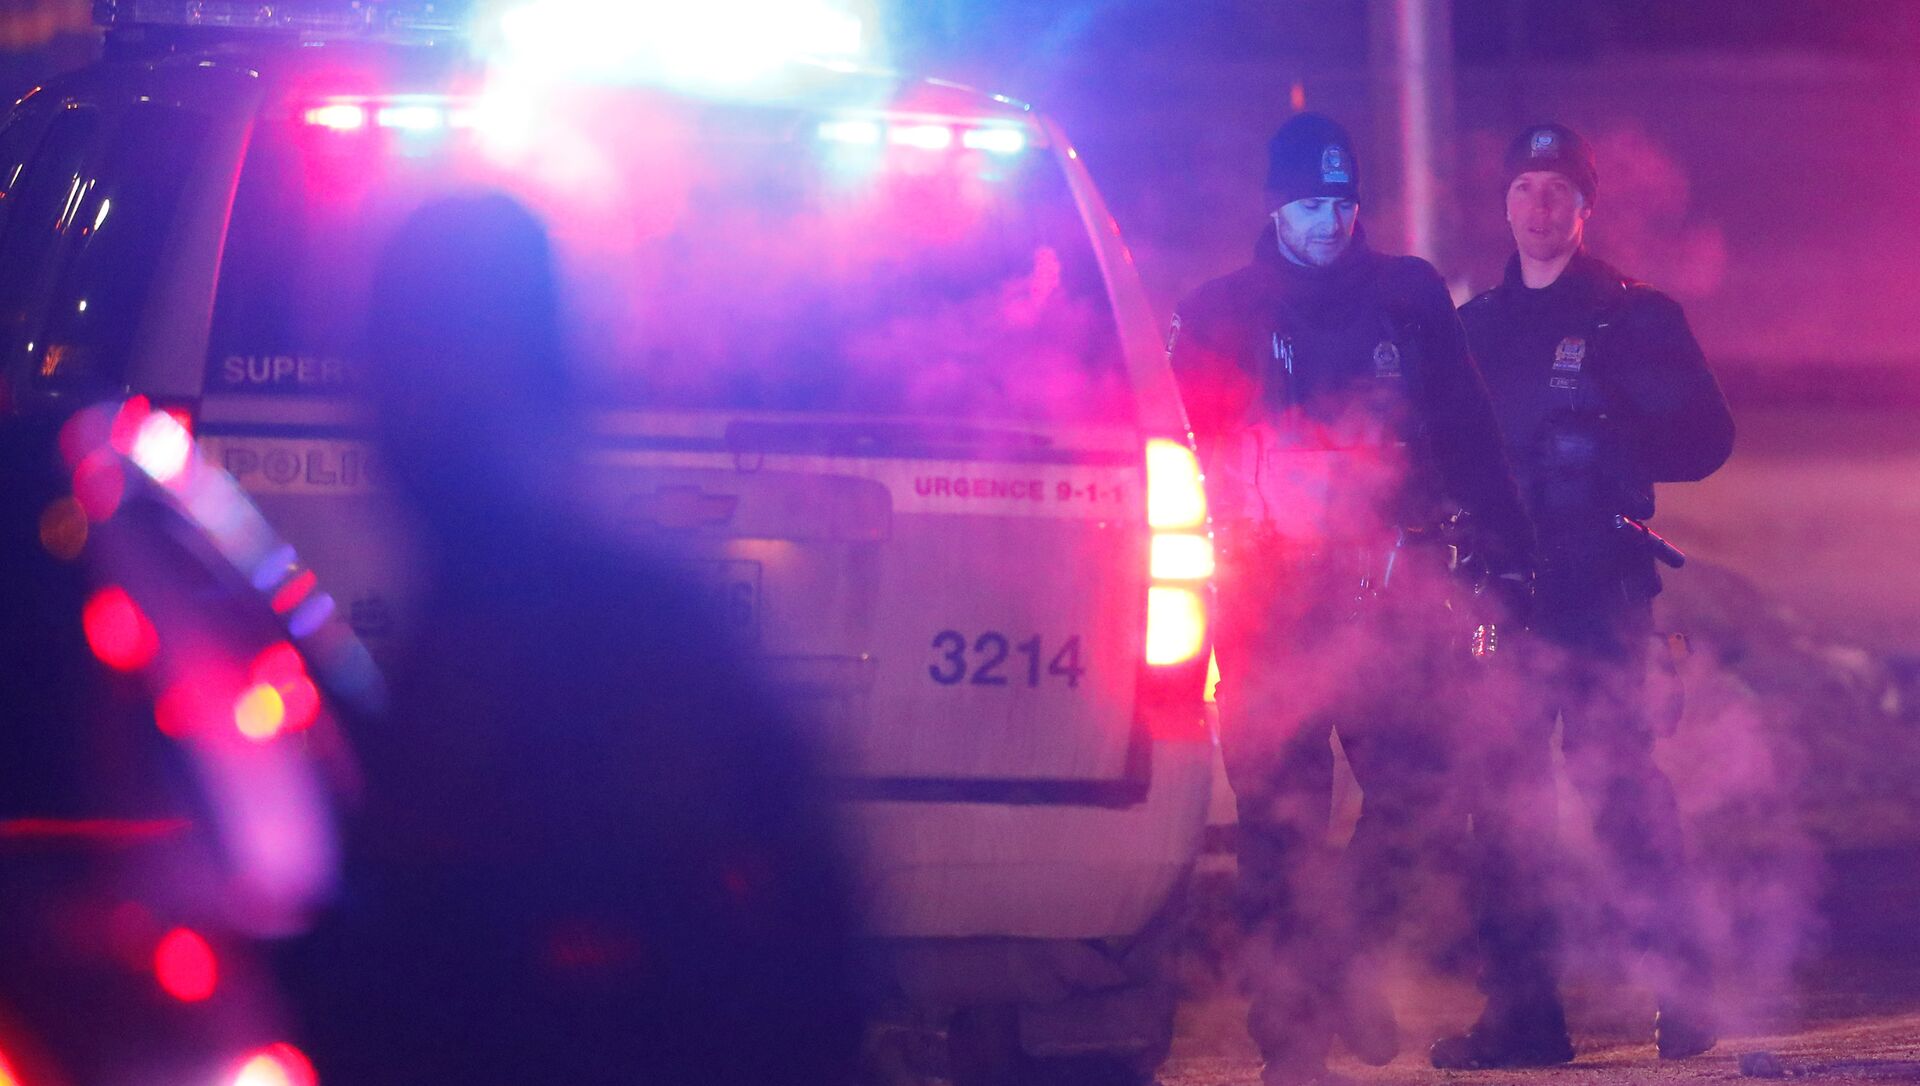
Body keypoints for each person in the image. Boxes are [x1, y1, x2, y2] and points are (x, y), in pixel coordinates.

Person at [276, 193, 864, 1086]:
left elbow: (782, 955)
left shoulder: (593, 633)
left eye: (428, 373)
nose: (400, 414)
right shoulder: (485, 617)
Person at [1169, 112, 1533, 1086]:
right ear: (1273, 206)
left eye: (1342, 202)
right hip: (1267, 611)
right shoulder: (1218, 313)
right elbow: (1178, 453)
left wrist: (1508, 552)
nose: (1329, 222)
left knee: (1416, 798)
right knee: (1281, 828)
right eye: (1309, 204)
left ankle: (1338, 969)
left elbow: (1466, 429)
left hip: (1389, 598)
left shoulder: (1407, 295)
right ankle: (1292, 1045)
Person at [1430, 123, 1735, 1069]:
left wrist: (1613, 448)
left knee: (1620, 787)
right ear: (1504, 204)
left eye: (1557, 190)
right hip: (1505, 597)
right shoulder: (1475, 328)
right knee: (1504, 804)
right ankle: (1523, 1016)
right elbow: (1440, 455)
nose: (1539, 207)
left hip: (1600, 590)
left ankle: (1685, 997)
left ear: (1585, 208)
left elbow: (1707, 441)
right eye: (1524, 188)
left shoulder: (1631, 317)